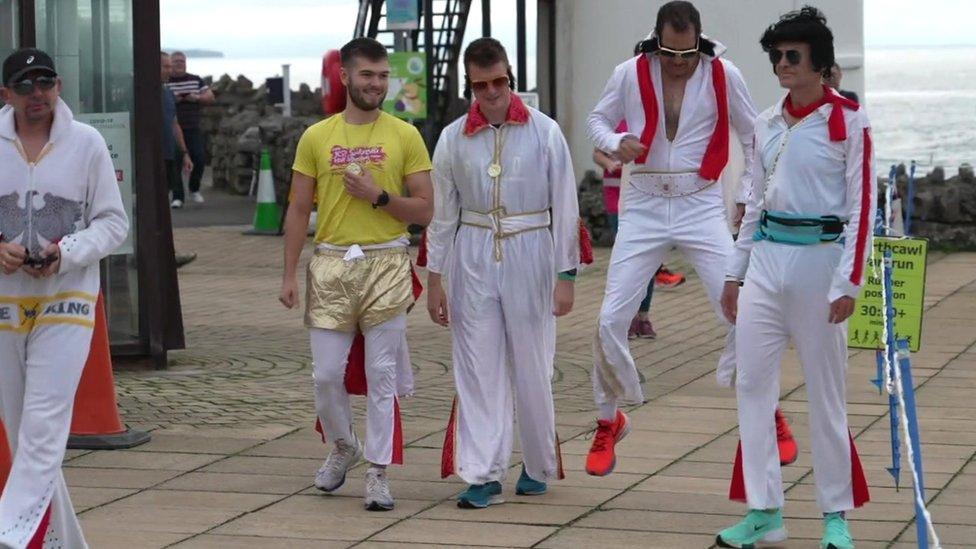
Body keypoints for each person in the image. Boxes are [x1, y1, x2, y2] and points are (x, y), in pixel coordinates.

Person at [584, 1, 796, 477]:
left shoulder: (724, 73)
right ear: (654, 41)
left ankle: (769, 413)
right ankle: (607, 419)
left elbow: (753, 137)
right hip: (642, 200)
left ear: (700, 41)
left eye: (687, 53)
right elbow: (595, 120)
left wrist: (745, 194)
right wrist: (617, 144)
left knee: (744, 312)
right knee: (608, 319)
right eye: (669, 53)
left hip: (700, 202)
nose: (678, 62)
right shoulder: (628, 71)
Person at [717, 7, 874, 548]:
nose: (781, 64)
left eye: (792, 55)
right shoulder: (764, 123)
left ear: (819, 62)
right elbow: (754, 204)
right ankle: (764, 510)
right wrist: (735, 275)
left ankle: (836, 517)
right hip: (766, 262)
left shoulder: (851, 122)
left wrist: (849, 283)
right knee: (752, 385)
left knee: (826, 394)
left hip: (820, 264)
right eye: (776, 56)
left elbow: (862, 207)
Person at [279, 37, 433, 512]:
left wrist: (379, 197)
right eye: (367, 75)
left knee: (381, 374)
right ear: (344, 77)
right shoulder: (317, 136)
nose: (377, 84)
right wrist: (288, 274)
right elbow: (299, 207)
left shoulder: (405, 135)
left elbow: (426, 210)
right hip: (329, 264)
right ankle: (345, 445)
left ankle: (380, 472)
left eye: (384, 75)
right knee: (326, 375)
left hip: (387, 260)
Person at [425, 38, 579, 508]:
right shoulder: (453, 138)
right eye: (481, 84)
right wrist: (435, 276)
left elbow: (566, 203)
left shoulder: (545, 131)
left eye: (499, 82)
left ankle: (536, 464)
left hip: (532, 246)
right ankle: (483, 471)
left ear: (510, 78)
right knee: (476, 365)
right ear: (469, 84)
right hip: (472, 253)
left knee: (533, 362)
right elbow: (441, 213)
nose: (491, 92)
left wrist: (566, 275)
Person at [0, 47, 128, 549]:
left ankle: (8, 531)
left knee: (44, 423)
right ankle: (60, 541)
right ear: (6, 93)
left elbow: (113, 222)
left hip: (68, 300)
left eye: (46, 83)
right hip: (6, 304)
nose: (38, 95)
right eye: (25, 86)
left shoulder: (87, 143)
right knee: (19, 428)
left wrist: (67, 251)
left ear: (58, 86)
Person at [593, 120, 686, 341]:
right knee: (629, 259)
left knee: (650, 261)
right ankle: (627, 317)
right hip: (616, 197)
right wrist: (609, 163)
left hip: (645, 196)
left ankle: (643, 317)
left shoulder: (649, 120)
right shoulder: (616, 122)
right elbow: (597, 154)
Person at [165, 51, 214, 206]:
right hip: (172, 127)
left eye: (182, 61)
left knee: (199, 158)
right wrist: (174, 99)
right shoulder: (166, 82)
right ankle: (178, 197)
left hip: (193, 127)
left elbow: (210, 96)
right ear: (170, 64)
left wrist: (197, 98)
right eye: (176, 61)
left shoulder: (195, 79)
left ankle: (194, 188)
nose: (179, 64)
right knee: (175, 162)